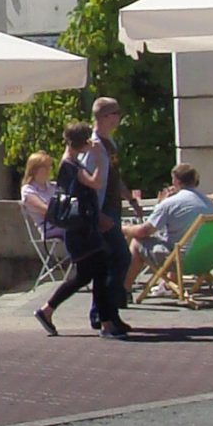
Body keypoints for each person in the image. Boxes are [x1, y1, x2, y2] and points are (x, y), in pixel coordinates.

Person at [33, 122, 124, 338]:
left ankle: (47, 310)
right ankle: (106, 323)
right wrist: (101, 159)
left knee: (85, 275)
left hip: (81, 229)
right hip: (81, 231)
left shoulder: (69, 164)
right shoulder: (71, 167)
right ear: (84, 143)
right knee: (98, 272)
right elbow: (97, 182)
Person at [78, 96, 133, 331]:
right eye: (115, 113)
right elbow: (90, 183)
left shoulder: (110, 143)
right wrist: (97, 214)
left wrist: (129, 197)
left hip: (112, 208)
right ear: (104, 116)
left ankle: (101, 313)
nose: (118, 118)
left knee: (109, 263)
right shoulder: (93, 146)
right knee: (120, 257)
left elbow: (113, 177)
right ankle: (106, 313)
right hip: (103, 212)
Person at [123, 164, 213, 294]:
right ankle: (169, 285)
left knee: (138, 242)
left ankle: (123, 290)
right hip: (208, 259)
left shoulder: (171, 203)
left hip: (182, 261)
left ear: (176, 180)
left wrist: (124, 229)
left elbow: (144, 231)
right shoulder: (208, 203)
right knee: (175, 241)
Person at [20, 151, 57, 233]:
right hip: (48, 228)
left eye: (49, 166)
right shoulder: (28, 190)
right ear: (35, 169)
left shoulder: (54, 186)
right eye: (46, 167)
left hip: (63, 223)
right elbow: (45, 210)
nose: (49, 169)